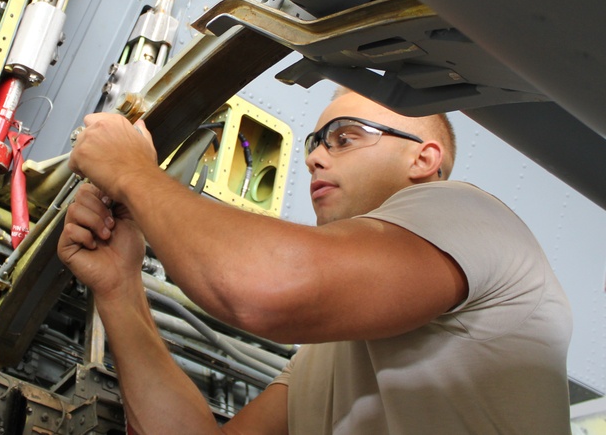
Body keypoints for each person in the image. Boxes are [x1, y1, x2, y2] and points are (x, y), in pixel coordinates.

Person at [59, 90, 572, 434]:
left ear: (424, 159)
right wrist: (120, 288)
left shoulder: (469, 214)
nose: (315, 157)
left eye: (345, 138)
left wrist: (130, 170)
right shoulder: (334, 353)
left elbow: (262, 288)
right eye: (316, 143)